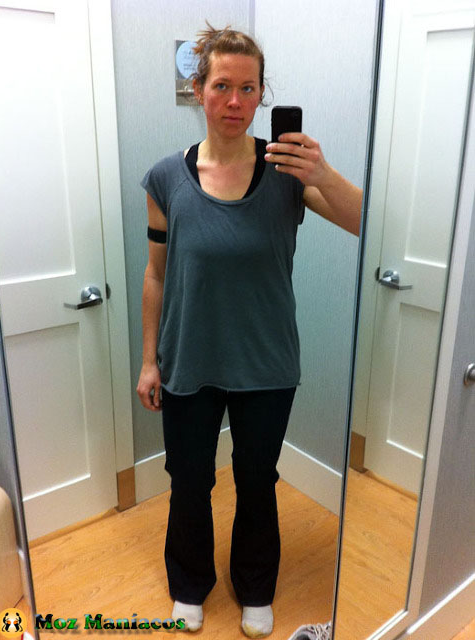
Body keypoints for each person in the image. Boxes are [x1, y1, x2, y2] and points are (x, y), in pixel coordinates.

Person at [137, 23, 362, 638]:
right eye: (221, 86)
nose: (234, 101)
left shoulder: (287, 171)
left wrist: (323, 173)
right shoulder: (165, 178)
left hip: (267, 365)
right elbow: (156, 275)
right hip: (188, 360)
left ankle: (255, 586)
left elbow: (366, 223)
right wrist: (150, 360)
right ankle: (190, 585)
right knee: (189, 482)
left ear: (262, 95)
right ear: (199, 91)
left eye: (248, 88)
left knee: (257, 481)